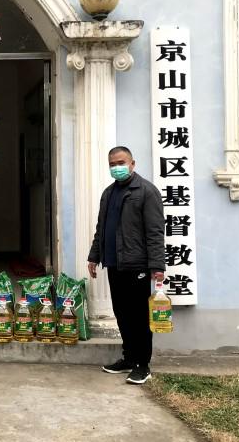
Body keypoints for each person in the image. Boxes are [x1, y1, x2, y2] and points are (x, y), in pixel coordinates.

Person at [87, 146, 165, 385]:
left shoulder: (146, 191)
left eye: (120, 162)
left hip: (137, 265)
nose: (116, 167)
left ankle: (143, 364)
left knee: (139, 316)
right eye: (112, 164)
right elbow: (102, 228)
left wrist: (157, 266)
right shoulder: (108, 193)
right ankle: (129, 358)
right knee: (122, 313)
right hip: (114, 263)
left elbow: (154, 232)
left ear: (133, 163)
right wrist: (94, 255)